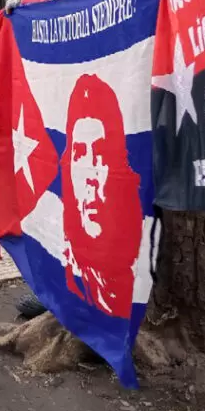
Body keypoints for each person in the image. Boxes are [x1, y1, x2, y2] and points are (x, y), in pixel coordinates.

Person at [60, 74, 143, 318]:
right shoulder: (67, 266)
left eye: (101, 153)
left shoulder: (139, 261)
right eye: (79, 153)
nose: (90, 174)